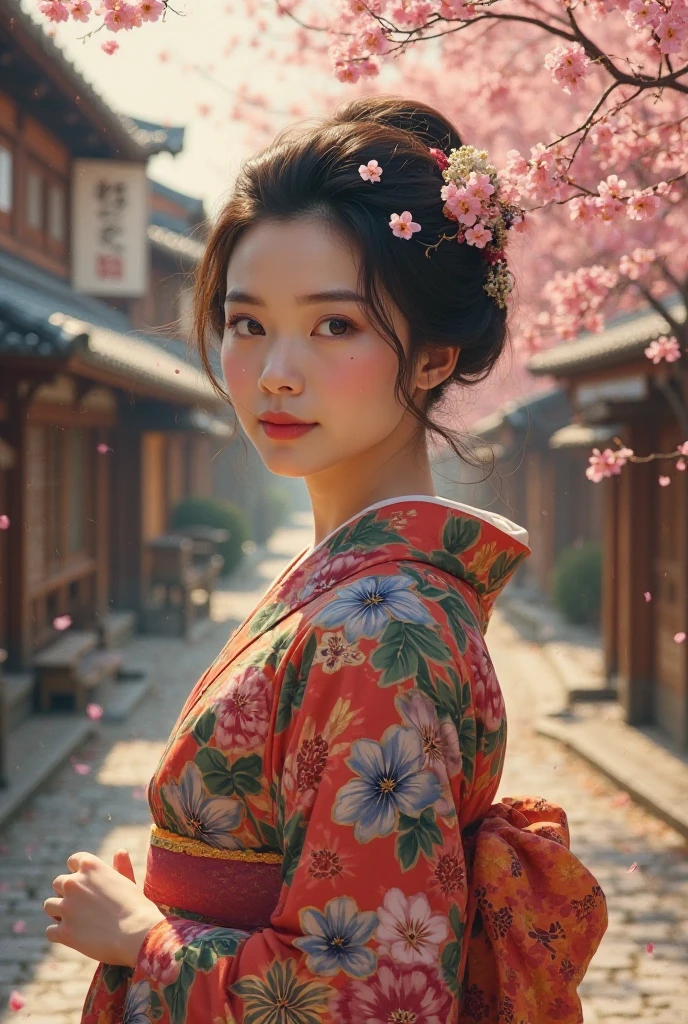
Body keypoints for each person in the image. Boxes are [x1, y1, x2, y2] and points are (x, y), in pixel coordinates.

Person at [45, 97, 607, 1023]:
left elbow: (369, 1000)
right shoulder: (364, 595)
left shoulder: (378, 626)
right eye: (248, 322)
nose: (275, 371)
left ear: (434, 356)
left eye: (334, 326)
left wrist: (144, 939)